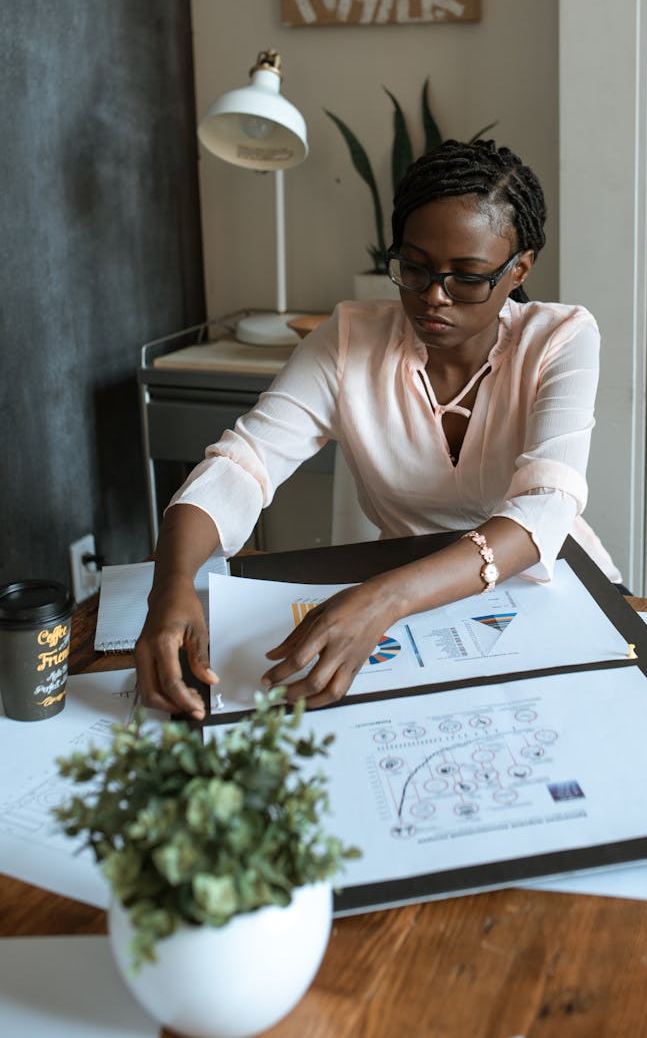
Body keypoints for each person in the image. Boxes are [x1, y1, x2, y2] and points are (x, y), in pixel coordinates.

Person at [135, 139, 620, 718]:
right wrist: (172, 582)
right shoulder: (350, 341)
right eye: (413, 268)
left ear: (519, 269)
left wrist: (386, 598)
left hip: (548, 594)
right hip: (405, 617)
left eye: (466, 278)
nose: (432, 298)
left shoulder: (561, 340)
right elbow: (244, 463)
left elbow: (545, 506)